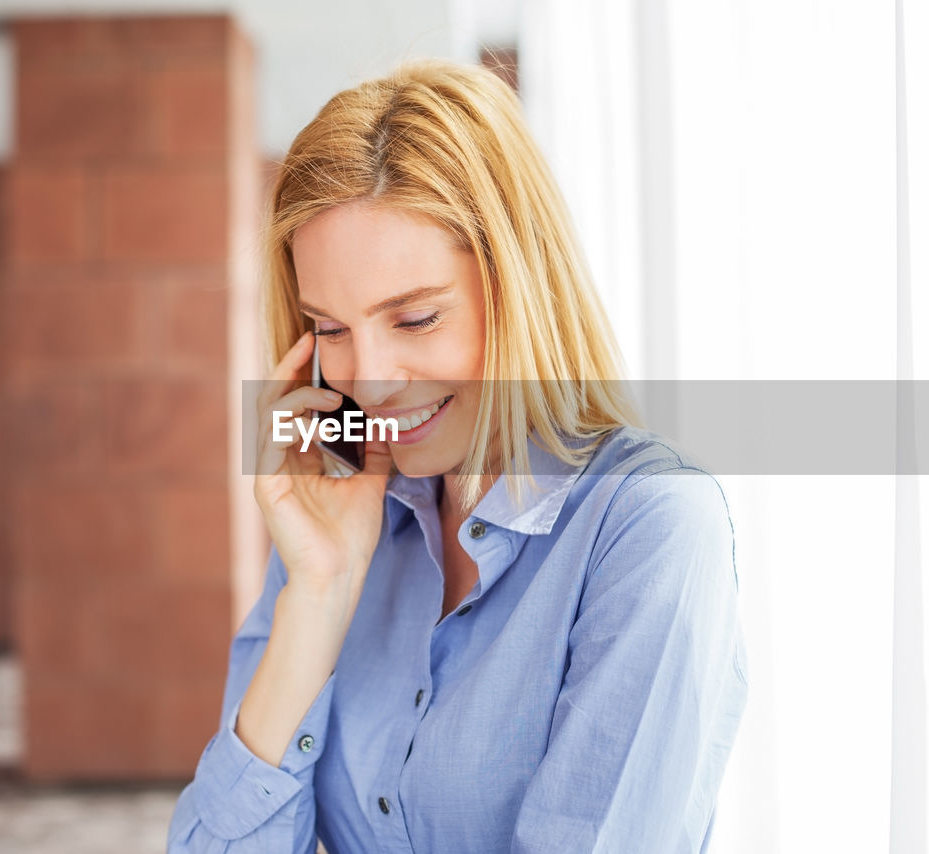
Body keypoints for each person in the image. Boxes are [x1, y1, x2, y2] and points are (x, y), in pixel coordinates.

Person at [167, 60, 747, 853]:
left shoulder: (650, 528)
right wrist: (319, 592)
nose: (364, 381)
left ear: (518, 291)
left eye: (413, 320)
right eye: (330, 329)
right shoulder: (343, 524)